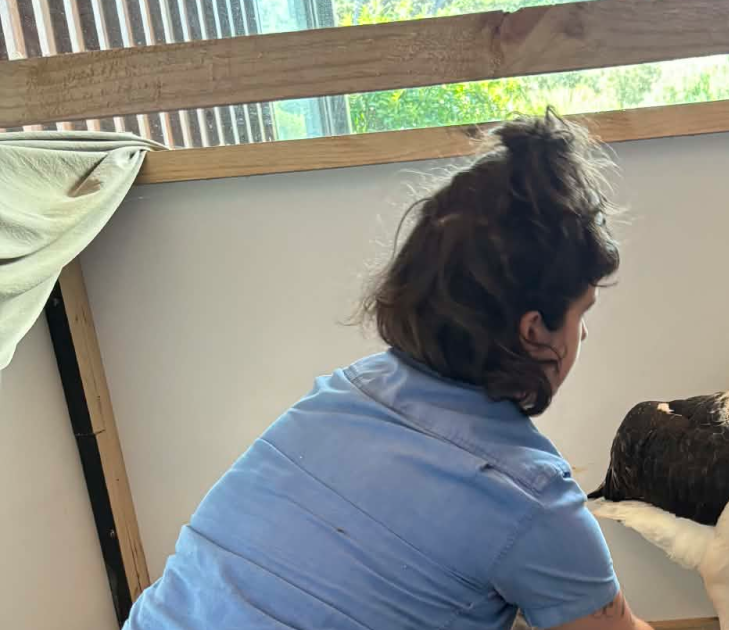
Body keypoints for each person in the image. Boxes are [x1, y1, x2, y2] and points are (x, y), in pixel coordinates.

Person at [123, 109, 655, 630]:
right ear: (534, 331)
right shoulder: (529, 496)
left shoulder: (342, 393)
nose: (582, 334)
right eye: (581, 313)